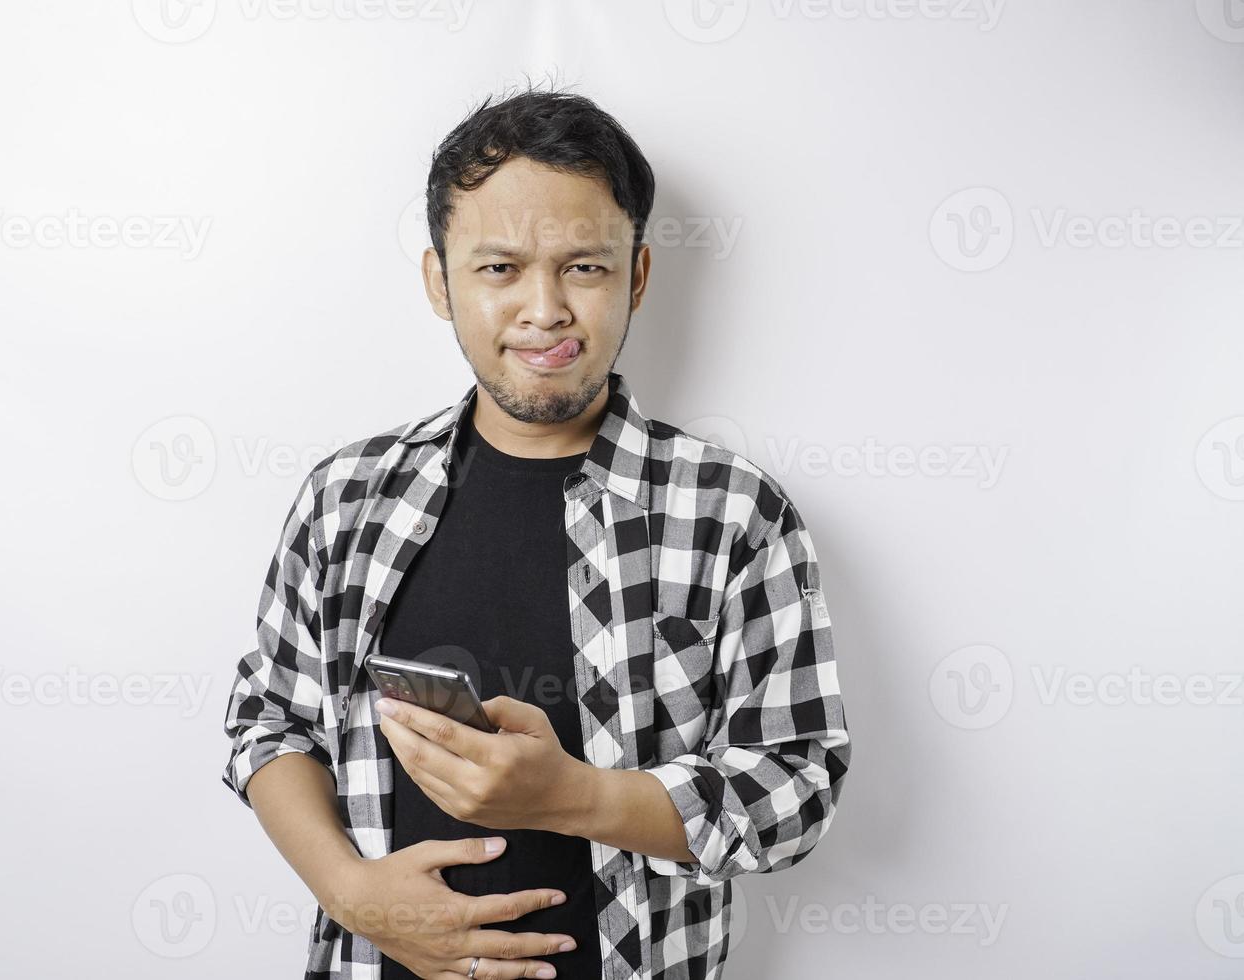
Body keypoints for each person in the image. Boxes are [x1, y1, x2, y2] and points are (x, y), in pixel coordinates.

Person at [221, 83, 852, 980]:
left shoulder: (733, 512)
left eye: (585, 267)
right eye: (499, 268)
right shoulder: (344, 498)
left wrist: (577, 797)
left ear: (636, 274)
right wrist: (351, 894)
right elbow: (268, 721)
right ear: (441, 281)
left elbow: (799, 783)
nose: (545, 309)